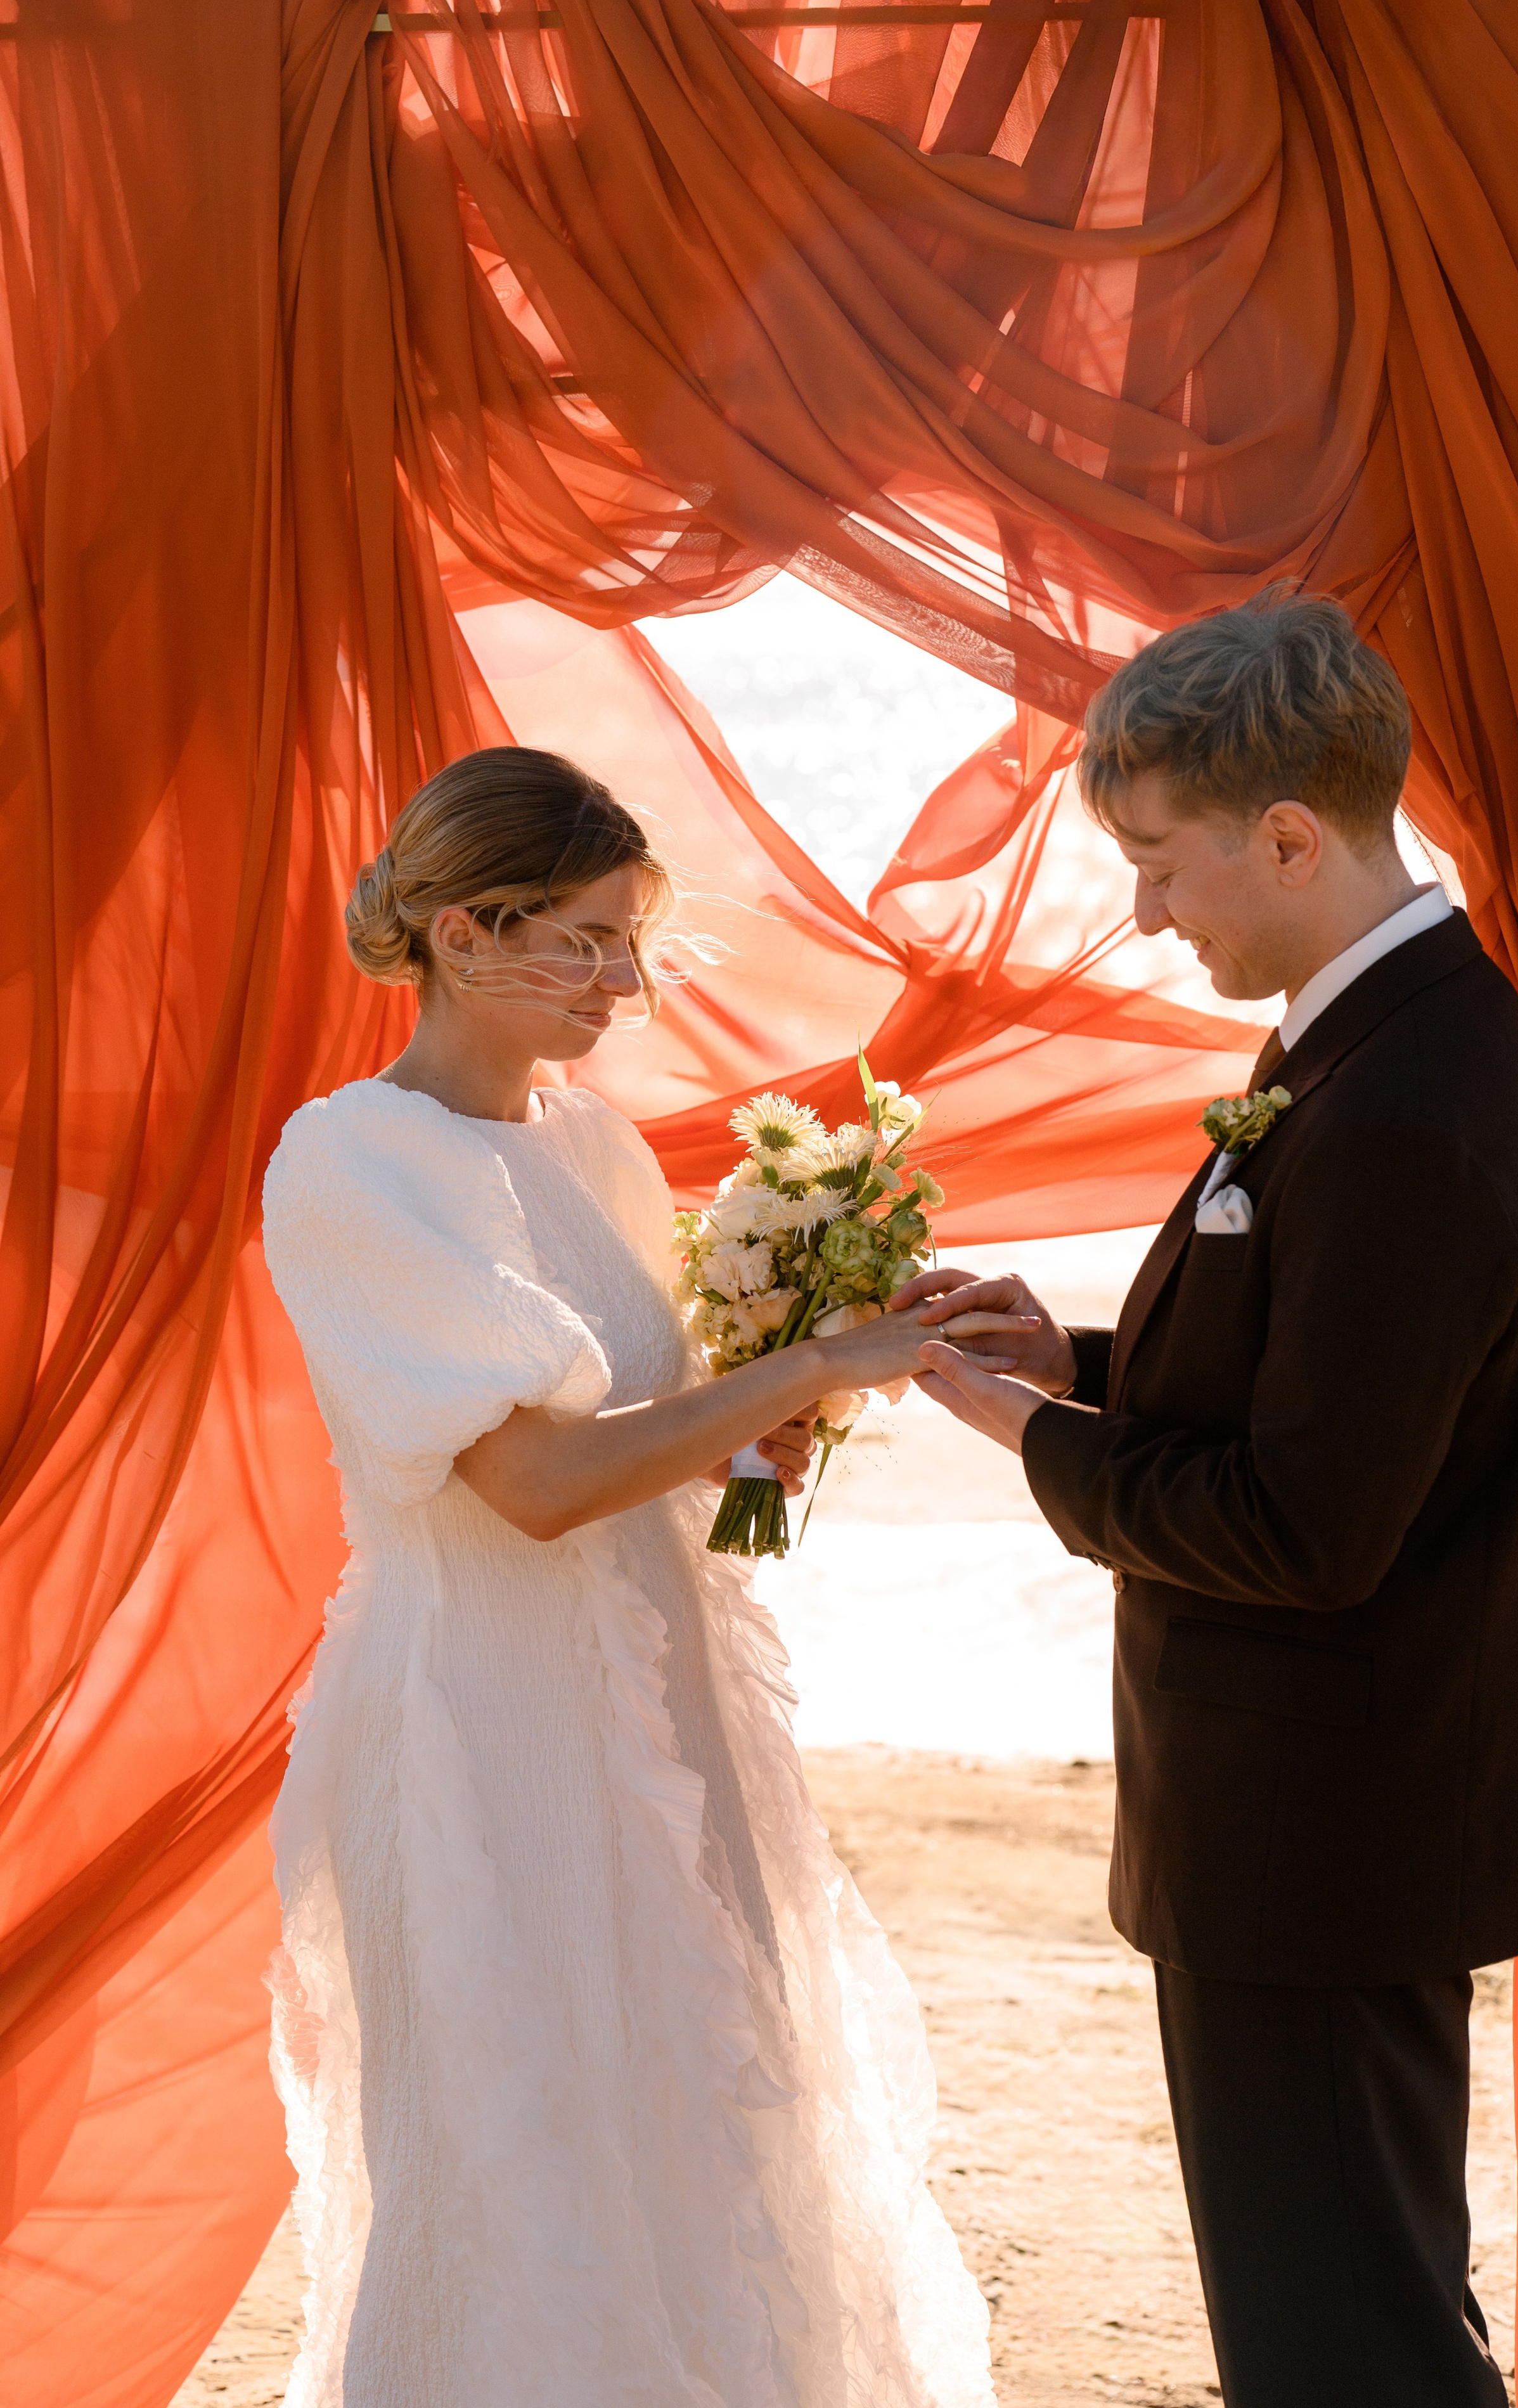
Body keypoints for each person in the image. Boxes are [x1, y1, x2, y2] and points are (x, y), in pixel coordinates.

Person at [894, 593, 1518, 2406]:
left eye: (1157, 860)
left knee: (1343, 2347)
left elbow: (1308, 1527)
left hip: (1331, 1827)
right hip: (1349, 1811)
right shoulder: (1389, 1031)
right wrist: (1074, 1354)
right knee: (1356, 2309)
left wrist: (1016, 1433)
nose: (1146, 909)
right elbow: (1339, 1392)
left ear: (1290, 836)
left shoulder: (1404, 1103)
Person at [260, 747, 998, 2408]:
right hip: (479, 1729)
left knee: (706, 2114)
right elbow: (533, 1483)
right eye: (588, 943)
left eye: (632, 943)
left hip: (662, 1708)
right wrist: (802, 1370)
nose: (628, 983)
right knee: (526, 2152)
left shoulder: (591, 1147)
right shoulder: (348, 1163)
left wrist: (763, 1447)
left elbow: (652, 1438)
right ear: (461, 933)